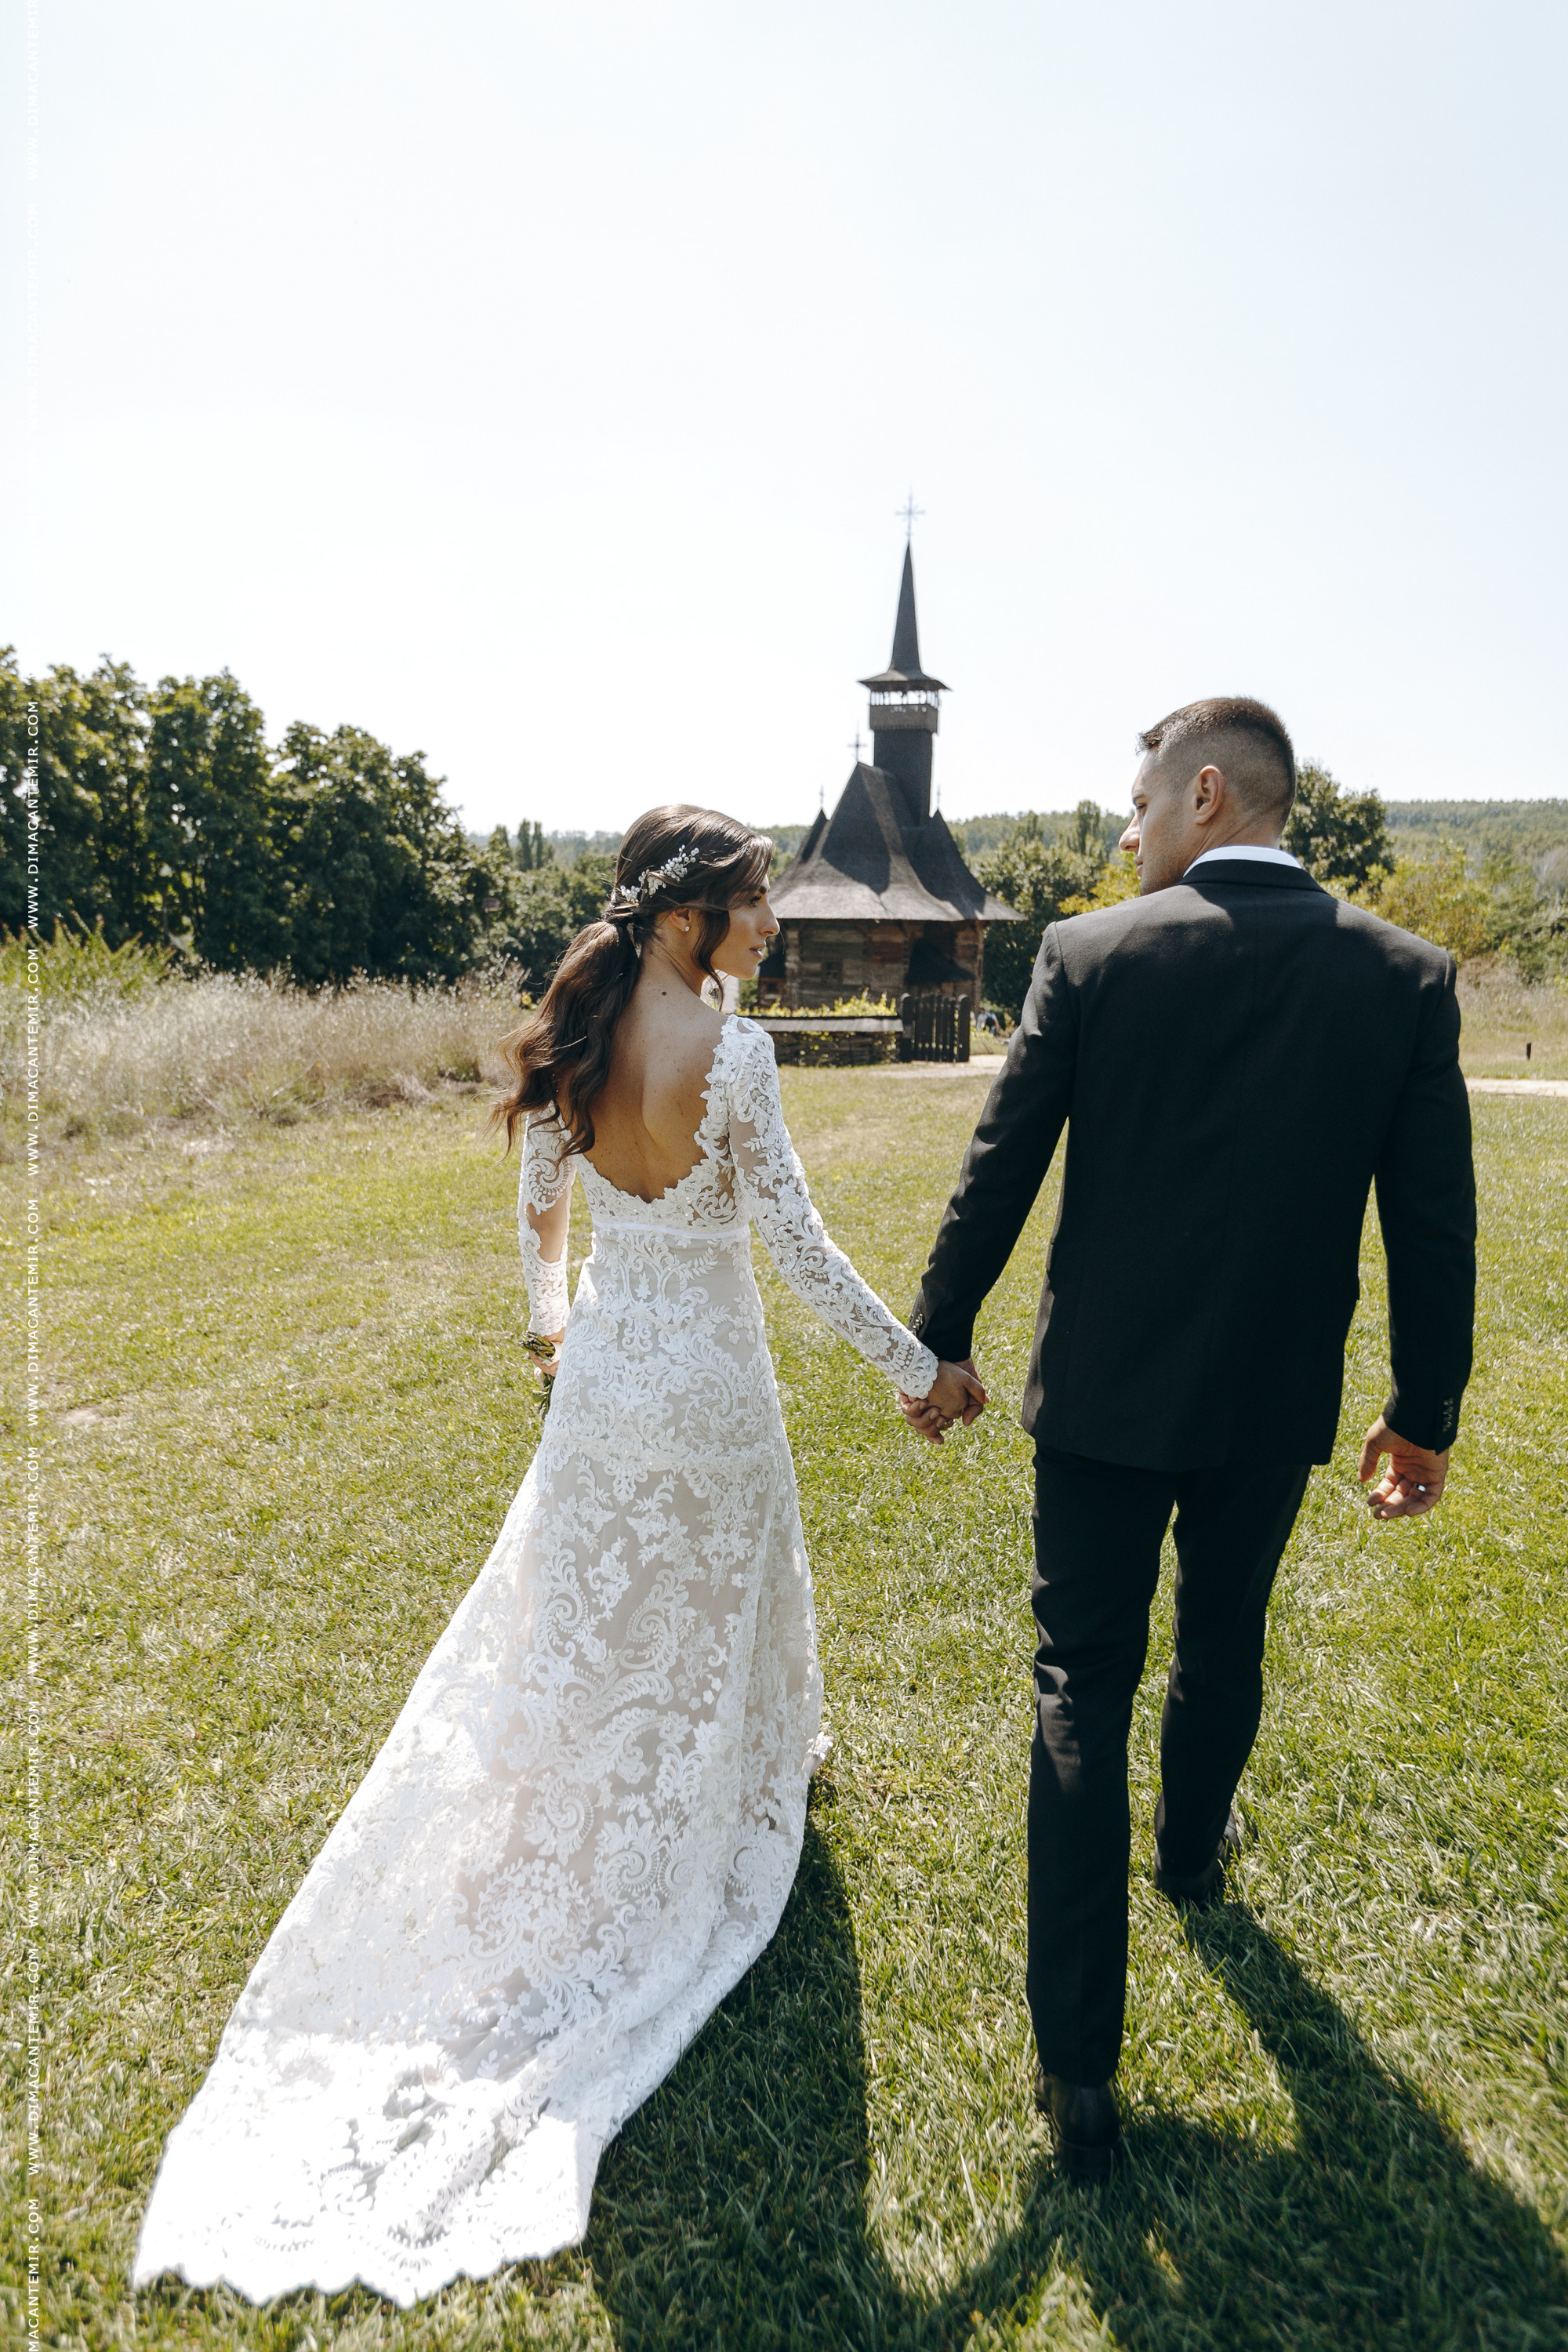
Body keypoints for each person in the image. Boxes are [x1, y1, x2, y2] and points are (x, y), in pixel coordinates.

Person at [132, 805, 981, 2306]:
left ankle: (655, 1767)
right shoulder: (740, 1059)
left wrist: (548, 1326)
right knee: (718, 1587)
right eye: (754, 900)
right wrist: (918, 1367)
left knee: (594, 1612)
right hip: (712, 1385)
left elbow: (538, 1211)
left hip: (606, 1378)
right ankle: (741, 1774)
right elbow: (797, 1247)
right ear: (685, 920)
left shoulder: (575, 1038)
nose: (771, 920)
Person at [899, 698, 1475, 2182]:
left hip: (1100, 1396)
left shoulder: (1091, 954)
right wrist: (1423, 1413)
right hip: (1270, 1403)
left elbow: (1000, 1161)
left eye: (1139, 804)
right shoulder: (1404, 977)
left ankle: (1079, 2070)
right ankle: (1190, 1858)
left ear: (1207, 795)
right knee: (1224, 1637)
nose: (1127, 832)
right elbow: (1433, 1224)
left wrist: (939, 1335)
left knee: (1080, 1677)